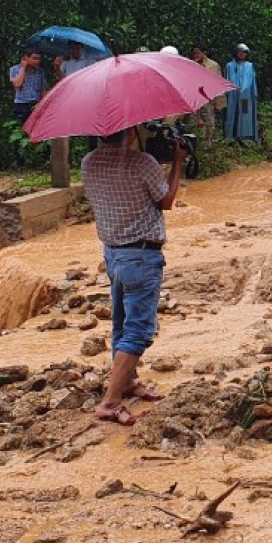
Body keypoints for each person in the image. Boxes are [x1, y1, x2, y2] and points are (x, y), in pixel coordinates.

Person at [81, 125, 185, 426]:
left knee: (120, 323)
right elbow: (166, 201)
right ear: (130, 134)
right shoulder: (143, 163)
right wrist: (177, 162)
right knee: (138, 331)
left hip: (113, 253)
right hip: (141, 255)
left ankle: (128, 382)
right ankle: (110, 402)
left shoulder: (89, 162)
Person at [224, 44, 259, 143]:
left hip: (245, 96)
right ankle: (231, 137)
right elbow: (227, 80)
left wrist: (254, 93)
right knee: (232, 113)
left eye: (244, 52)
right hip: (233, 95)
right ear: (236, 53)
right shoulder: (230, 65)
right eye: (240, 52)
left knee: (245, 113)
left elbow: (252, 81)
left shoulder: (249, 65)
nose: (242, 54)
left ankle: (245, 136)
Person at [192, 45, 224, 145]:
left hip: (208, 96)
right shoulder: (192, 64)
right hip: (196, 95)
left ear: (203, 53)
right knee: (197, 120)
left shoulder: (213, 65)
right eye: (195, 53)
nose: (196, 55)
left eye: (198, 53)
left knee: (209, 120)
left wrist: (216, 98)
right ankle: (199, 143)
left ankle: (209, 142)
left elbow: (217, 81)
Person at [9, 50, 46, 123]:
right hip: (21, 104)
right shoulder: (14, 69)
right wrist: (23, 68)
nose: (37, 61)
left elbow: (43, 90)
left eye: (39, 59)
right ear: (26, 57)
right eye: (34, 58)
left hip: (36, 105)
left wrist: (41, 103)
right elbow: (17, 84)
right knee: (20, 130)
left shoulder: (40, 71)